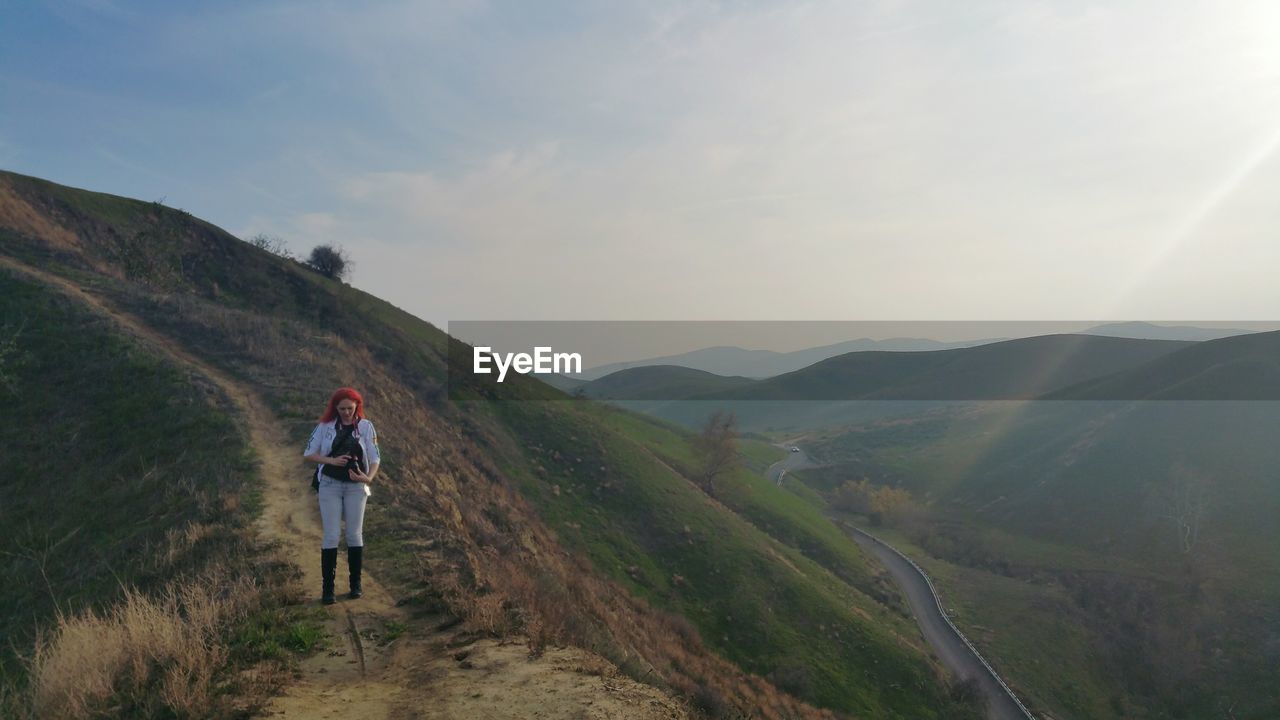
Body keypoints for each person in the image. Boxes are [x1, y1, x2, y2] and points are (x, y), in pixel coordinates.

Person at [303, 387, 381, 604]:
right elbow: (309, 454)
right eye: (342, 408)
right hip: (330, 484)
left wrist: (369, 478)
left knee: (354, 534)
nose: (346, 412)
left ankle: (355, 585)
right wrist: (331, 461)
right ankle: (328, 589)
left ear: (357, 406)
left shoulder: (365, 427)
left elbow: (376, 457)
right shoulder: (325, 426)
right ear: (335, 408)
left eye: (350, 408)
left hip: (356, 486)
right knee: (331, 535)